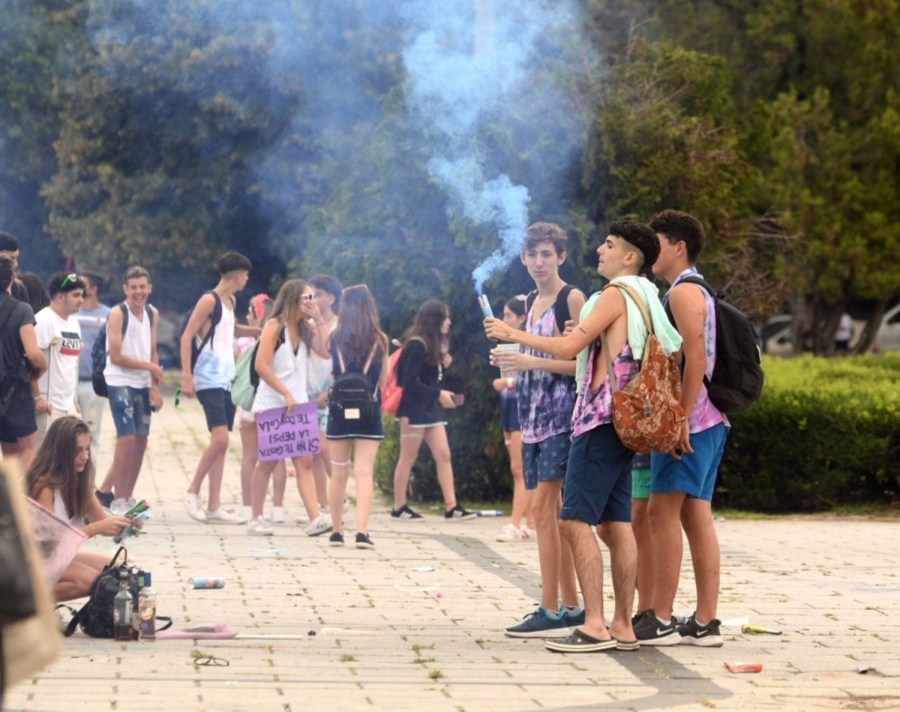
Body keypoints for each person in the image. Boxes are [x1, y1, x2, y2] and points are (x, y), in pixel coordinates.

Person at [486, 220, 681, 652]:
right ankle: (623, 626)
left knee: (573, 519)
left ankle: (594, 625)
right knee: (617, 523)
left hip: (600, 419)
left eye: (609, 245)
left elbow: (567, 348)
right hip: (626, 424)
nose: (599, 250)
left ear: (630, 257)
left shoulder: (616, 294)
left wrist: (511, 335)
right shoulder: (646, 296)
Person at [635, 209, 730, 647]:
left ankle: (661, 616)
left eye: (658, 243)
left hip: (692, 421)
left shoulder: (682, 293)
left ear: (679, 246)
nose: (653, 251)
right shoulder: (696, 288)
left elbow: (696, 358)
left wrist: (679, 418)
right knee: (695, 514)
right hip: (709, 420)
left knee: (661, 512)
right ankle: (706, 621)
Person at [489, 222, 585, 638]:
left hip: (561, 419)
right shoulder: (529, 301)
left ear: (561, 257)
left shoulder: (573, 298)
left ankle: (550, 607)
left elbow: (582, 362)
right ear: (523, 259)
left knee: (544, 511)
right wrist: (511, 363)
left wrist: (531, 362)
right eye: (533, 255)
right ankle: (570, 605)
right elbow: (528, 355)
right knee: (551, 515)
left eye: (548, 254)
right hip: (529, 419)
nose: (540, 262)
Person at [247, 279, 332, 537]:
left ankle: (314, 517)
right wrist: (284, 393)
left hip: (299, 404)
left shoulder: (305, 328)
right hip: (274, 403)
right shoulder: (274, 326)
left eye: (313, 298)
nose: (312, 302)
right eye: (307, 298)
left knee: (305, 460)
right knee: (269, 462)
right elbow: (261, 366)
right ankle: (256, 517)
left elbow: (326, 352)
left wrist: (319, 320)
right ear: (293, 300)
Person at [180, 252, 258, 524]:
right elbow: (187, 334)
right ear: (237, 275)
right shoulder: (208, 300)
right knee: (221, 439)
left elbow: (231, 329)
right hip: (208, 378)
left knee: (222, 444)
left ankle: (214, 505)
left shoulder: (230, 301)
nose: (246, 279)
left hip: (228, 380)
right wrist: (186, 375)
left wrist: (260, 332)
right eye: (245, 275)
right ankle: (193, 491)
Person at [25, 416, 137, 602]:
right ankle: (27, 607)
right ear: (60, 452)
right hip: (28, 562)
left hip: (54, 558)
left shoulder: (79, 480)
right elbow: (50, 544)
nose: (84, 456)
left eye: (87, 449)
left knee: (118, 570)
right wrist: (94, 529)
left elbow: (103, 523)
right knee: (89, 581)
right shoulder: (43, 485)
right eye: (77, 450)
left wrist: (129, 524)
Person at [390, 299, 474, 521]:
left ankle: (451, 506)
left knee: (443, 454)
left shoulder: (434, 344)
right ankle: (398, 506)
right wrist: (439, 393)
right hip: (412, 409)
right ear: (434, 319)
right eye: (444, 317)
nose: (448, 322)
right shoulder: (417, 344)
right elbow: (408, 382)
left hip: (428, 408)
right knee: (408, 457)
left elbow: (426, 378)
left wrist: (442, 366)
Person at [95, 266, 164, 514]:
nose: (138, 292)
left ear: (149, 288)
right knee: (126, 438)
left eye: (142, 287)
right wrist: (150, 366)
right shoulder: (117, 313)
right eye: (133, 287)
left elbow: (152, 348)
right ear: (125, 289)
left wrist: (154, 385)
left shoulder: (151, 313)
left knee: (141, 440)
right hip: (119, 380)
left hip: (143, 382)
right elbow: (115, 356)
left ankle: (127, 497)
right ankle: (117, 499)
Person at [325, 284, 390, 549]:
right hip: (369, 409)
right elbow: (384, 380)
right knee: (364, 473)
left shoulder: (334, 338)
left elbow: (332, 374)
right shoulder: (380, 339)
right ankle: (361, 532)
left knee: (338, 472)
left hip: (339, 410)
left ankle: (336, 531)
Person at [237, 294, 290, 523]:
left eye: (250, 312)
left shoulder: (244, 344)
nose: (248, 317)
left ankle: (248, 507)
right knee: (277, 457)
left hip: (250, 403)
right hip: (275, 399)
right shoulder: (282, 338)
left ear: (256, 314)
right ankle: (277, 508)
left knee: (250, 456)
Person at [491, 295, 535, 543]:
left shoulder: (530, 342)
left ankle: (515, 523)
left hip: (523, 408)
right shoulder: (509, 344)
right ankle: (531, 521)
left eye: (509, 315)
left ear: (521, 318)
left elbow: (537, 374)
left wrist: (507, 381)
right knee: (516, 467)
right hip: (509, 406)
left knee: (521, 469)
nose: (505, 319)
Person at [0, 255, 47, 469]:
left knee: (9, 454)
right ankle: (22, 501)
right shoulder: (21, 309)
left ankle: (9, 499)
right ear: (12, 277)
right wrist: (43, 366)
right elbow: (33, 354)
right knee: (29, 450)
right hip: (16, 392)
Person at [33, 272, 86, 446]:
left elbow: (73, 365)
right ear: (61, 297)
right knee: (45, 460)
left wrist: (74, 401)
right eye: (76, 295)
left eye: (82, 295)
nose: (81, 299)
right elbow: (31, 363)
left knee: (73, 455)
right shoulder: (43, 321)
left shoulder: (74, 323)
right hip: (49, 404)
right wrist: (37, 398)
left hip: (69, 404)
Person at [308, 274, 342, 514]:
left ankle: (339, 494)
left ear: (331, 298)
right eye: (310, 295)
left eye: (317, 295)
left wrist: (330, 392)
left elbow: (331, 356)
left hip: (332, 391)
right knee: (313, 453)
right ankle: (323, 503)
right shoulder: (307, 325)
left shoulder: (341, 325)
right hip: (307, 392)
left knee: (324, 447)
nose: (313, 300)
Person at [75, 271, 111, 470]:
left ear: (94, 289)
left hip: (94, 382)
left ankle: (89, 477)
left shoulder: (108, 315)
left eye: (83, 284)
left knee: (92, 431)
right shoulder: (72, 313)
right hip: (70, 382)